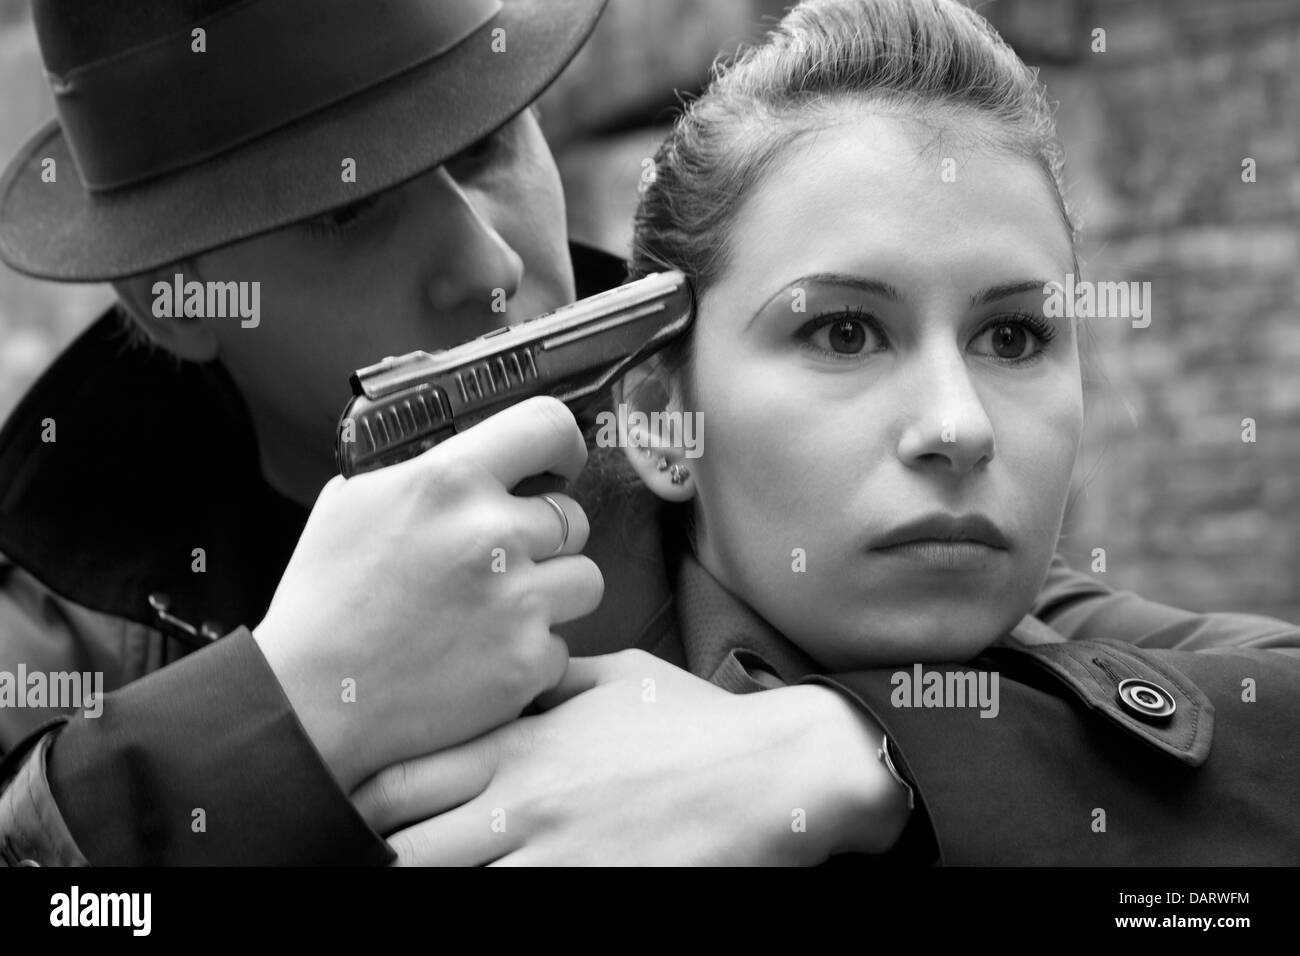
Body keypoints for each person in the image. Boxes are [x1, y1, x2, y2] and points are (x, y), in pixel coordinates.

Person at [0, 0, 1293, 868]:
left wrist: (863, 752)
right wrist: (277, 718)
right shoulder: (45, 629)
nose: (490, 257)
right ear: (174, 305)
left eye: (492, 145)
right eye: (349, 217)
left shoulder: (761, 482)